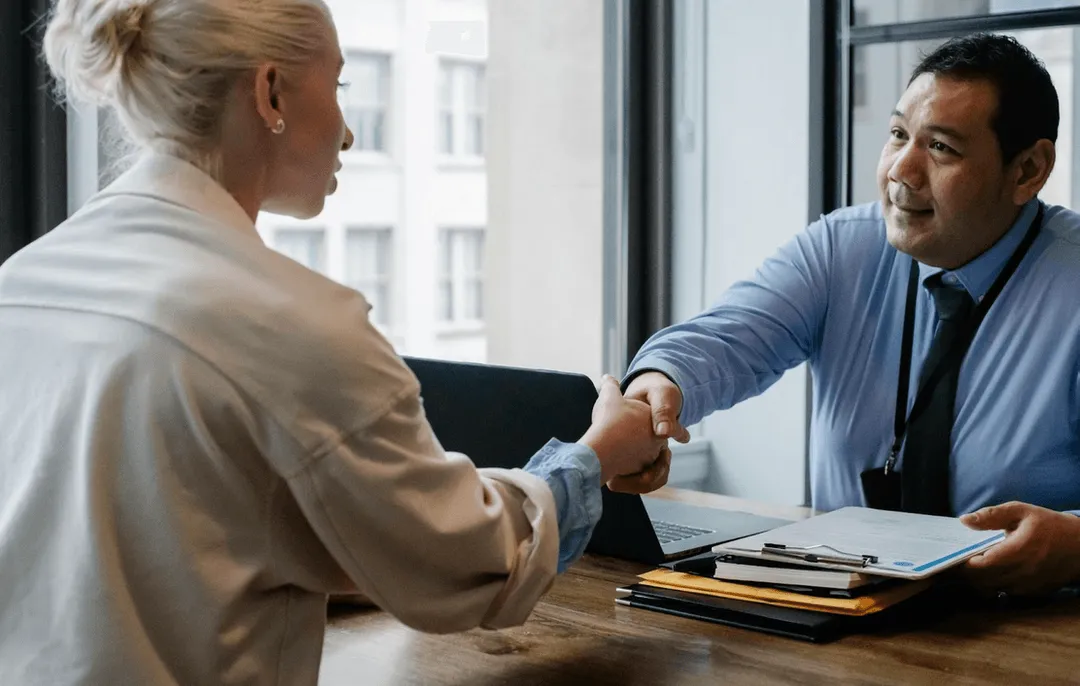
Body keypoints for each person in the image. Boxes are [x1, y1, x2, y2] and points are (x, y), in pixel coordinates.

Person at [0, 1, 668, 684]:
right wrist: (597, 455)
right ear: (270, 91)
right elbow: (470, 565)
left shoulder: (20, 282)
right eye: (340, 84)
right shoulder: (291, 322)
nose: (348, 134)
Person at [624, 33, 1080, 597]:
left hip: (1029, 635)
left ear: (1028, 170)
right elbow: (726, 340)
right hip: (847, 617)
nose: (901, 171)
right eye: (897, 136)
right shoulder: (844, 247)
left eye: (941, 148)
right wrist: (657, 387)